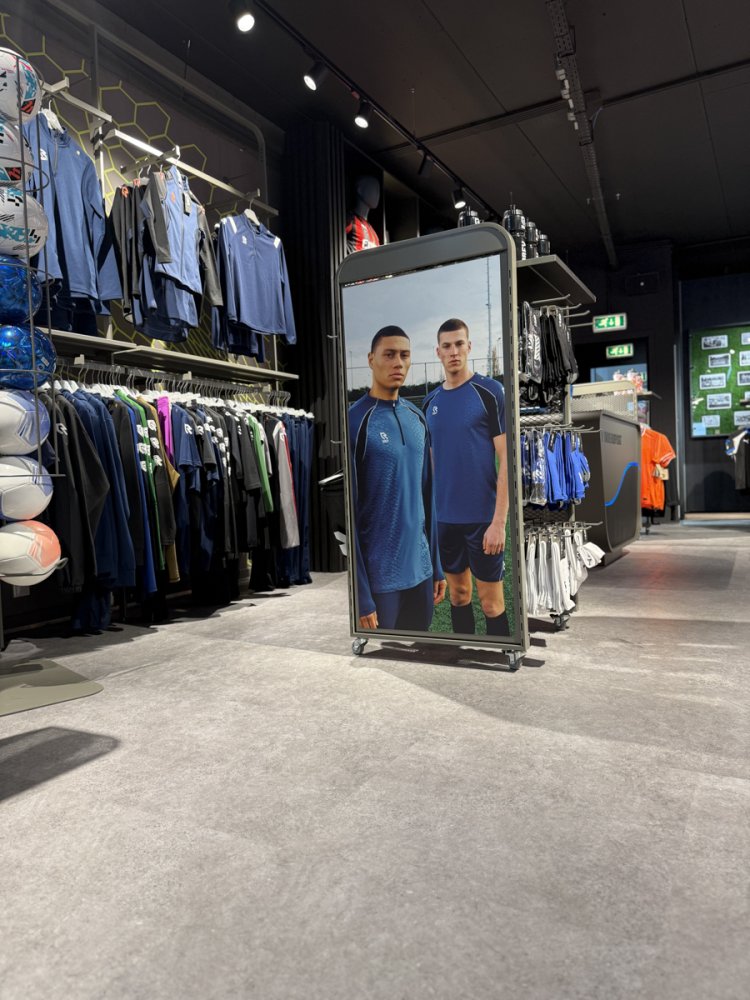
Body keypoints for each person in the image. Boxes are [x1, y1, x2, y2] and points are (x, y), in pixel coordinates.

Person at [349, 325, 446, 631]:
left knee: (420, 652)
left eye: (404, 355)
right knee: (384, 658)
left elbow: (428, 498)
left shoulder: (417, 418)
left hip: (421, 572)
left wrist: (436, 566)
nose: (398, 363)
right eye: (389, 355)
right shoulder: (354, 421)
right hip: (381, 580)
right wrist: (361, 594)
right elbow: (348, 516)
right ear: (371, 359)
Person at [423, 318, 510, 635]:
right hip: (445, 521)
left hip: (482, 521)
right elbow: (431, 467)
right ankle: (462, 655)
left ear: (469, 347)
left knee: (491, 604)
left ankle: (501, 654)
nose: (453, 351)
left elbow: (507, 459)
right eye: (446, 346)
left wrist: (498, 522)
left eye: (459, 344)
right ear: (438, 352)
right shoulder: (430, 402)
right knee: (458, 596)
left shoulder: (490, 392)